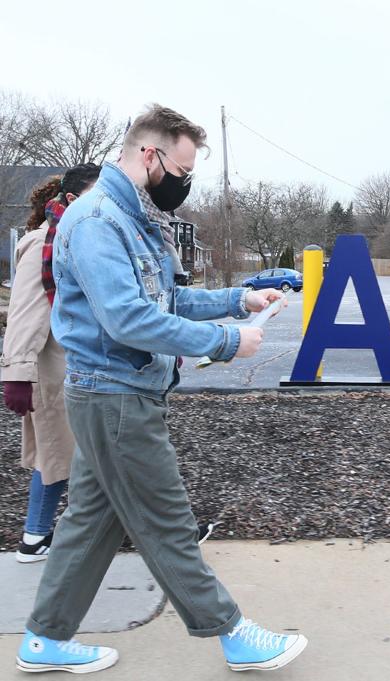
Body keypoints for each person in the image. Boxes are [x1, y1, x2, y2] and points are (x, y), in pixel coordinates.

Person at [15, 104, 307, 675]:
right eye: (182, 169)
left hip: (115, 395)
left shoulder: (127, 217)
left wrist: (236, 300)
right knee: (167, 521)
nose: (185, 183)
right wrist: (224, 343)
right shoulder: (100, 221)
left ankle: (46, 640)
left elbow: (161, 302)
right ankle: (232, 633)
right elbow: (126, 319)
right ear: (150, 156)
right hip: (115, 397)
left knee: (88, 524)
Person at [1, 164, 102, 563]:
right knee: (61, 455)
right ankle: (38, 537)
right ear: (73, 200)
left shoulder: (84, 239)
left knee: (65, 456)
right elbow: (26, 312)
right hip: (55, 370)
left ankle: (36, 536)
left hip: (81, 366)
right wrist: (17, 374)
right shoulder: (45, 241)